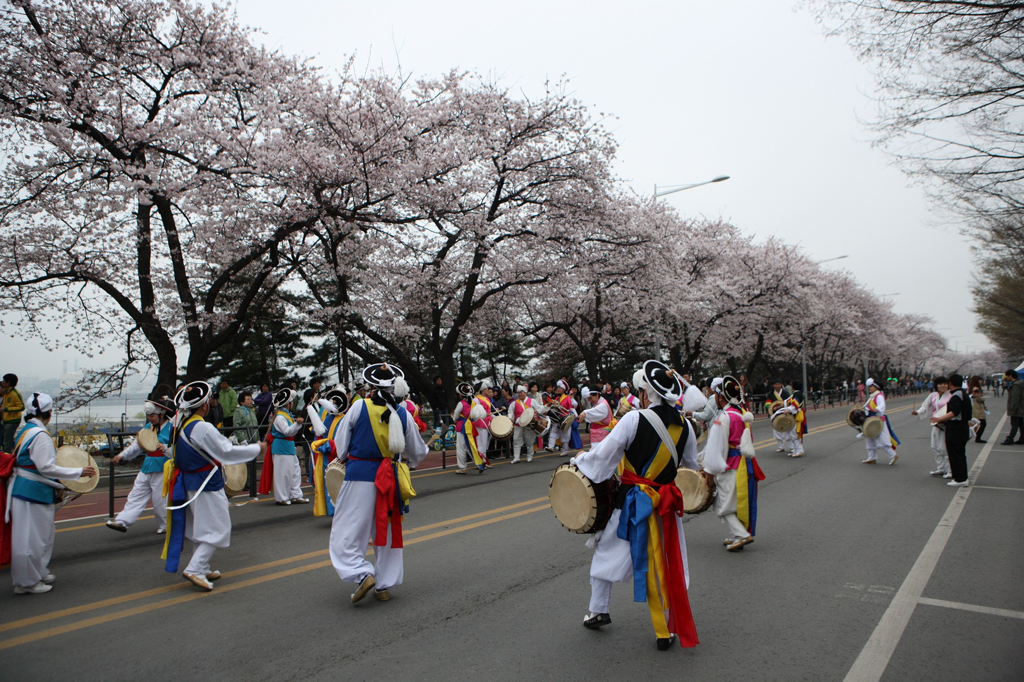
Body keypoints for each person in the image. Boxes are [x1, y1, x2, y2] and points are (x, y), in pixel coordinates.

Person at [572, 361, 699, 651]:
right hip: (665, 507)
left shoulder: (633, 420)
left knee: (605, 551)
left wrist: (578, 460)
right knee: (665, 562)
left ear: (646, 393)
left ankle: (598, 609)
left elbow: (602, 461)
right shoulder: (686, 427)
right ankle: (666, 627)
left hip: (630, 504)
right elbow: (691, 468)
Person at [326, 363, 428, 603]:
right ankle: (384, 585)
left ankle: (361, 573)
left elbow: (341, 446)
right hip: (389, 478)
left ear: (370, 386)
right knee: (387, 531)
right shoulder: (403, 413)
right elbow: (418, 453)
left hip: (359, 476)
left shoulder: (358, 406)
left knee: (347, 531)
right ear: (394, 386)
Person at [162, 381, 265, 590]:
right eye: (209, 400)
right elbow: (225, 451)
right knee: (218, 527)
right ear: (204, 405)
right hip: (205, 483)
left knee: (202, 526)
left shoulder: (181, 425)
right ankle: (195, 568)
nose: (211, 402)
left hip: (190, 483)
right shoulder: (201, 427)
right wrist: (256, 448)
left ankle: (202, 565)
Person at [7, 393, 96, 594]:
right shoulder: (40, 436)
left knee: (39, 536)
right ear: (49, 412)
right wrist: (78, 472)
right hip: (32, 491)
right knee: (33, 538)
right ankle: (27, 582)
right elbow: (45, 467)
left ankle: (35, 573)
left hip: (27, 489)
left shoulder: (27, 430)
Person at [700, 376, 764, 551]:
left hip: (731, 465)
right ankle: (736, 534)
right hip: (743, 464)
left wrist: (710, 472)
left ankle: (742, 534)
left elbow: (717, 449)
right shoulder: (742, 414)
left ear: (721, 397)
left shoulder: (725, 417)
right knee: (733, 501)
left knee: (723, 503)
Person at [105, 397, 175, 534]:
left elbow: (177, 449)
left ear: (161, 414)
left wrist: (165, 448)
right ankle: (122, 522)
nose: (150, 418)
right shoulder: (148, 427)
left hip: (163, 468)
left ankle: (166, 524)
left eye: (152, 415)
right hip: (147, 466)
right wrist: (122, 456)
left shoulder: (172, 427)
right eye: (148, 415)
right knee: (135, 495)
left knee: (160, 500)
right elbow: (137, 445)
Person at [307, 387, 349, 516]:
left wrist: (326, 445)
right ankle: (335, 512)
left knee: (338, 484)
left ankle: (340, 513)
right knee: (330, 485)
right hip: (327, 456)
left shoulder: (343, 419)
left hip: (336, 455)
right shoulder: (329, 418)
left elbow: (343, 440)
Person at [263, 388, 307, 505]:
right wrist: (297, 424)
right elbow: (287, 431)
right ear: (288, 403)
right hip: (281, 446)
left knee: (295, 471)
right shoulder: (280, 417)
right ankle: (281, 498)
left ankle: (295, 494)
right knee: (282, 473)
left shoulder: (284, 415)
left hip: (288, 446)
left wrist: (296, 424)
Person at [931, 374, 971, 487]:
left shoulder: (956, 396)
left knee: (955, 453)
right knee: (959, 453)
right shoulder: (963, 394)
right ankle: (962, 477)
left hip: (956, 427)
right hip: (963, 426)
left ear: (951, 384)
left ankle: (960, 479)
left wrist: (939, 419)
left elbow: (954, 412)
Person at [911, 377, 951, 477]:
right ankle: (941, 468)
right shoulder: (933, 395)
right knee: (934, 447)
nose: (943, 386)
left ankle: (950, 470)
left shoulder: (951, 395)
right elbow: (925, 406)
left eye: (945, 384)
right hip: (935, 423)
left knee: (944, 448)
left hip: (946, 424)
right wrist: (917, 412)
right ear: (936, 385)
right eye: (940, 384)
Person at [861, 378, 900, 465]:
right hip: (871, 420)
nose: (869, 388)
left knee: (882, 440)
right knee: (869, 439)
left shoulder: (878, 395)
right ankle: (872, 457)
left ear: (876, 387)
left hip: (878, 420)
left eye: (871, 386)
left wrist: (877, 409)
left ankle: (893, 455)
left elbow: (882, 405)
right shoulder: (873, 396)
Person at [452, 382, 487, 474]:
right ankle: (479, 463)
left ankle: (462, 468)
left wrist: (455, 421)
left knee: (461, 448)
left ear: (460, 394)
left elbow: (455, 416)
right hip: (471, 425)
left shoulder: (461, 403)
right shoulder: (474, 402)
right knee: (472, 445)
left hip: (461, 426)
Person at [507, 385, 540, 463]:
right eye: (518, 393)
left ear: (525, 393)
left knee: (529, 440)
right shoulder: (514, 403)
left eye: (521, 392)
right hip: (518, 424)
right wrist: (510, 418)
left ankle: (529, 456)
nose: (520, 394)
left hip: (529, 424)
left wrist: (546, 407)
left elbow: (539, 409)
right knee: (516, 440)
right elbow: (510, 412)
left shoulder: (532, 401)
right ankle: (516, 457)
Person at [547, 380, 575, 456]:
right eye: (557, 387)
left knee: (565, 434)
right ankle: (550, 447)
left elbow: (571, 406)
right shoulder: (556, 398)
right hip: (557, 418)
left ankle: (565, 450)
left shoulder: (567, 397)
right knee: (553, 431)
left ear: (563, 389)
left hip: (565, 418)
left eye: (560, 388)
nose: (558, 389)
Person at [2, 373, 25, 454]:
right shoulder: (6, 392)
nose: (2, 382)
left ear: (8, 382)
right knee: (5, 439)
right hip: (6, 419)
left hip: (13, 420)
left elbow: (21, 407)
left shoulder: (15, 394)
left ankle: (8, 456)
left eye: (4, 381)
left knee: (7, 440)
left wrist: (6, 409)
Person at [767, 379, 791, 453]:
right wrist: (773, 407)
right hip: (775, 413)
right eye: (775, 384)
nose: (777, 385)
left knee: (787, 429)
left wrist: (782, 405)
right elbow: (768, 404)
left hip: (784, 412)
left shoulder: (785, 393)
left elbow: (789, 401)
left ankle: (791, 446)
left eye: (778, 384)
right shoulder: (770, 394)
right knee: (776, 430)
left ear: (781, 385)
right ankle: (780, 446)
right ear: (773, 385)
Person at [1001, 370, 1024, 445]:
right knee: (1021, 424)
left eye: (1007, 376)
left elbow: (1015, 398)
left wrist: (1013, 409)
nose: (1006, 377)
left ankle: (1010, 438)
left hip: (1017, 408)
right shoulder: (1020, 383)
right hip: (1021, 407)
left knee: (1014, 424)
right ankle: (1022, 438)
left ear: (1010, 376)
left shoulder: (1016, 385)